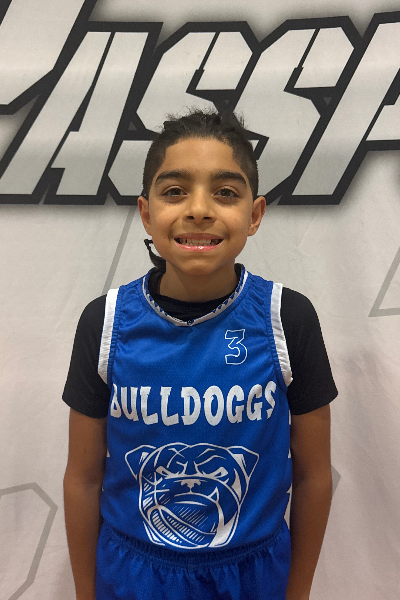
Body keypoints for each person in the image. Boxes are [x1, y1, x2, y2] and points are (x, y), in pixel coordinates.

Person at [63, 109, 337, 600]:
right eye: (174, 191)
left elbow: (313, 475)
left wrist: (297, 592)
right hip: (133, 575)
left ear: (255, 215)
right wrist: (86, 592)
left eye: (225, 192)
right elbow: (83, 479)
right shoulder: (105, 322)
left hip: (254, 573)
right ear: (146, 213)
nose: (199, 209)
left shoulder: (286, 318)